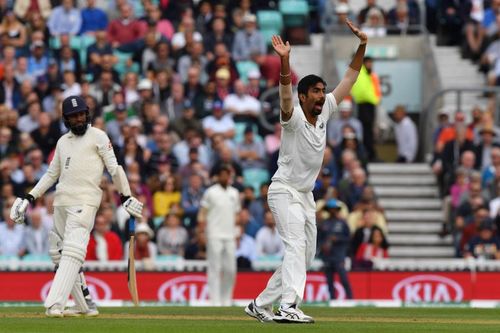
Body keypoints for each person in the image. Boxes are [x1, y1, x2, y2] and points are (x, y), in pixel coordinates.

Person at [245, 21, 367, 324]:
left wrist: (362, 45)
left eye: (323, 91)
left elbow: (350, 78)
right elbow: (285, 93)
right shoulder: (293, 116)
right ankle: (289, 306)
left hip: (305, 194)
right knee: (296, 247)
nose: (322, 96)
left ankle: (260, 304)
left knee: (305, 254)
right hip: (284, 190)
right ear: (303, 96)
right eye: (315, 91)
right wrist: (285, 61)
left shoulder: (325, 110)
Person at [9, 96, 143, 318]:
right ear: (66, 119)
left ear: (87, 114)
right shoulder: (63, 142)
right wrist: (29, 197)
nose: (78, 118)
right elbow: (52, 174)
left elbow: (114, 168)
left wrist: (126, 196)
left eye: (81, 114)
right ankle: (85, 305)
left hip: (85, 201)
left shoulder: (99, 136)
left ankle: (54, 303)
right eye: (73, 116)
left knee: (73, 250)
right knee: (57, 251)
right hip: (61, 202)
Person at [198, 164, 241, 306]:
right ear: (217, 177)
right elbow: (203, 213)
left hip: (230, 236)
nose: (225, 177)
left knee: (231, 270)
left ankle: (226, 299)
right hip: (214, 234)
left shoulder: (234, 193)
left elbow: (237, 215)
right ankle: (215, 301)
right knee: (214, 269)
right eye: (222, 174)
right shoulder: (210, 192)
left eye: (227, 174)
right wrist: (201, 233)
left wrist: (238, 234)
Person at [318, 199, 353, 300]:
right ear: (328, 210)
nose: (332, 211)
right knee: (329, 280)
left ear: (337, 210)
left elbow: (348, 239)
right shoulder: (324, 223)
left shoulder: (342, 223)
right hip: (327, 256)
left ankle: (350, 299)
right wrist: (322, 245)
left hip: (339, 255)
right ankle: (332, 300)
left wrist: (337, 239)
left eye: (334, 209)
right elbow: (319, 239)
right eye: (330, 209)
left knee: (344, 279)